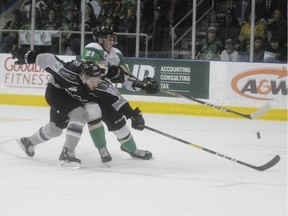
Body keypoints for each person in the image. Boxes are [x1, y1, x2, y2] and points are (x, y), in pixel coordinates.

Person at [12, 49, 147, 168]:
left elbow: (117, 99)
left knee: (55, 130)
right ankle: (67, 153)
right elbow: (48, 59)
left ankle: (28, 142)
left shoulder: (100, 83)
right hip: (57, 94)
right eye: (92, 81)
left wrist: (133, 114)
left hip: (73, 97)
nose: (96, 84)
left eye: (97, 80)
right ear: (82, 77)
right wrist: (31, 56)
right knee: (80, 115)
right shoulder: (68, 73)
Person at [81, 26, 160, 163]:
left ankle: (131, 149)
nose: (112, 42)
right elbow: (88, 66)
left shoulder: (116, 55)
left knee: (119, 125)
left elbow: (126, 78)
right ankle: (102, 148)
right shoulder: (93, 47)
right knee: (94, 115)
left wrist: (142, 85)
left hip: (107, 95)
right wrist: (108, 70)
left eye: (113, 39)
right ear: (100, 39)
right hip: (89, 91)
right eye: (109, 39)